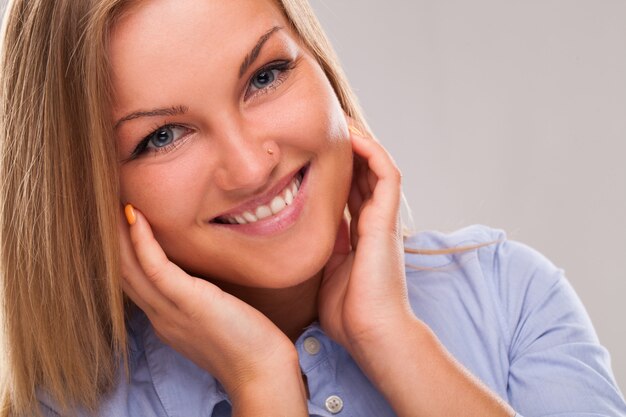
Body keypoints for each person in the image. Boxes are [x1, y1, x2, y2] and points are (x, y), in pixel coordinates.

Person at [0, 0, 624, 416]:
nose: (250, 166)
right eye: (161, 135)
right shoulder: (67, 405)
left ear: (320, 67)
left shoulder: (509, 295)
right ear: (92, 193)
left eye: (265, 76)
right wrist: (261, 383)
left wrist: (392, 340)